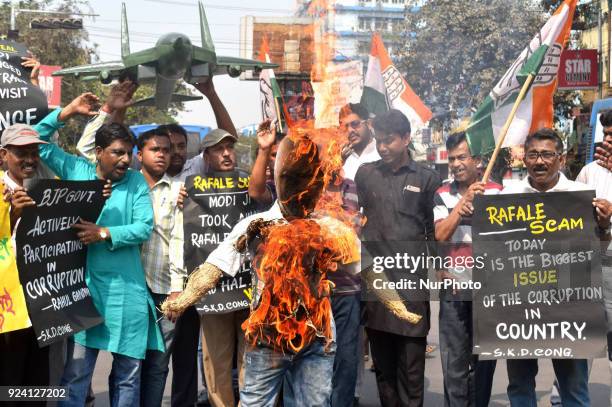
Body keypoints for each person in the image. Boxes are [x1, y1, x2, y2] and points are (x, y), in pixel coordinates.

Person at [33, 94, 164, 407]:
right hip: (83, 291)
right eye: (117, 153)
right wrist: (67, 112)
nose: (125, 160)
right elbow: (35, 139)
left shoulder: (134, 183)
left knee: (127, 375)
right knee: (77, 372)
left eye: (129, 154)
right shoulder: (76, 170)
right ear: (98, 153)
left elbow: (144, 227)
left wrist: (104, 233)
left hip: (126, 293)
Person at [501, 128, 612, 407]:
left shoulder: (582, 195)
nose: (540, 161)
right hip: (521, 309)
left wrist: (604, 225)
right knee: (520, 386)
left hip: (570, 309)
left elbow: (598, 250)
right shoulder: (507, 196)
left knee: (574, 389)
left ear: (560, 159)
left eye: (547, 154)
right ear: (524, 159)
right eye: (533, 155)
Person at [355, 109, 441, 407]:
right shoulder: (365, 174)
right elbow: (354, 218)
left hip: (411, 292)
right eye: (379, 141)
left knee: (411, 375)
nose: (382, 147)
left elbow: (434, 233)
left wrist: (442, 269)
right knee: (384, 375)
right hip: (376, 291)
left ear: (406, 139)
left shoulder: (428, 179)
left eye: (389, 141)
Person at [170, 128, 249, 407]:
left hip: (246, 287)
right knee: (216, 358)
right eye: (219, 149)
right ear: (206, 155)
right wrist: (178, 199)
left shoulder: (248, 182)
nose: (226, 153)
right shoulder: (189, 187)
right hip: (214, 292)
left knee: (250, 356)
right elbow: (178, 236)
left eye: (230, 148)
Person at [433, 132, 499, 407]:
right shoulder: (441, 194)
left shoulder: (498, 191)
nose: (456, 164)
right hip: (455, 289)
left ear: (479, 161)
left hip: (488, 291)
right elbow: (440, 234)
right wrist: (462, 204)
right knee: (454, 364)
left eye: (462, 157)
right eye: (452, 159)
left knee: (484, 364)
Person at [327, 102, 380, 407]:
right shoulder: (316, 184)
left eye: (356, 124)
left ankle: (351, 396)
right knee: (323, 352)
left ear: (368, 124)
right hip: (322, 284)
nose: (350, 131)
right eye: (344, 126)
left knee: (354, 345)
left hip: (361, 271)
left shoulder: (376, 160)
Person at [131, 129, 184, 407]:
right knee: (130, 363)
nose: (163, 154)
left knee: (158, 364)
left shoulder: (177, 190)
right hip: (131, 288)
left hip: (164, 291)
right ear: (139, 155)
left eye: (166, 150)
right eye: (155, 149)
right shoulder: (126, 185)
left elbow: (178, 241)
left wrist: (177, 291)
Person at [0, 124, 51, 406]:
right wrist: (13, 218)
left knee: (38, 380)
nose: (30, 159)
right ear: (4, 155)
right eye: (22, 153)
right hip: (7, 307)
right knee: (9, 379)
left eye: (34, 152)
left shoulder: (48, 189)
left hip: (41, 302)